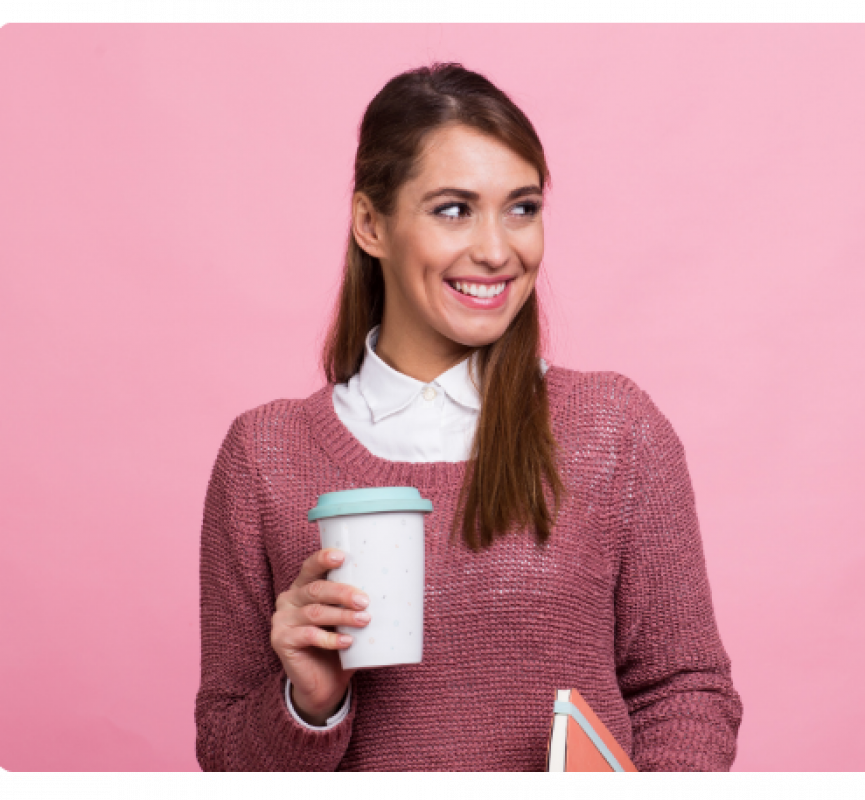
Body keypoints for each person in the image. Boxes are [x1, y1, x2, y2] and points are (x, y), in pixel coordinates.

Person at [195, 63, 741, 771]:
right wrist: (310, 704)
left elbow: (685, 691)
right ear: (370, 223)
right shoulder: (265, 457)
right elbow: (223, 748)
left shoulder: (616, 431)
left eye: (522, 207)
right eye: (453, 209)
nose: (496, 249)